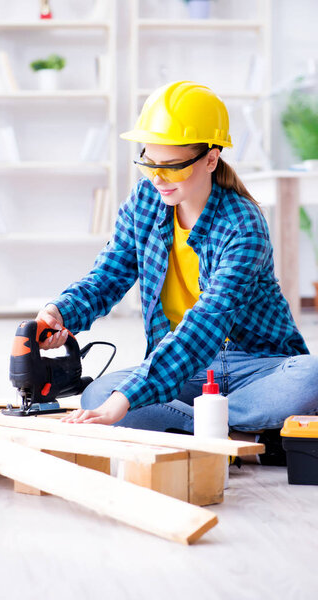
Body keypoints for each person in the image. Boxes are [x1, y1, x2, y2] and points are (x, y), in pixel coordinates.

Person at [36, 81, 318, 464]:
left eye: (171, 167)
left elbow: (206, 324)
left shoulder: (243, 224)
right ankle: (243, 435)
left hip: (257, 367)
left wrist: (129, 402)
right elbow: (110, 273)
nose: (157, 178)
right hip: (183, 369)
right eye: (149, 162)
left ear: (211, 159)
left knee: (310, 378)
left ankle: (190, 428)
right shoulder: (145, 202)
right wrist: (62, 312)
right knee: (98, 396)